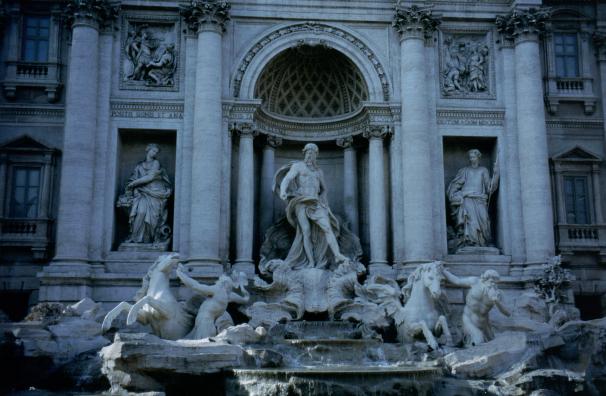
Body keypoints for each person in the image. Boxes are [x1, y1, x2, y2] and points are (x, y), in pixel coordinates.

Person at [274, 143, 348, 270]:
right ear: (304, 154)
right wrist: (283, 191)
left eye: (312, 153)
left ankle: (337, 255)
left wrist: (324, 202)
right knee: (306, 232)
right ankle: (311, 262)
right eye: (308, 153)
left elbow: (324, 189)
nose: (309, 155)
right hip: (301, 201)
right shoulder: (298, 166)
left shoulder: (319, 172)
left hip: (315, 202)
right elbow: (287, 178)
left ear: (316, 155)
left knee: (327, 227)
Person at [176, 265, 249, 339]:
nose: (217, 283)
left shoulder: (217, 290)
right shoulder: (229, 296)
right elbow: (246, 299)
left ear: (223, 282)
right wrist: (242, 287)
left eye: (219, 281)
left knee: (201, 346)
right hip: (209, 324)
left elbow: (195, 286)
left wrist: (180, 274)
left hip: (205, 322)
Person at [443, 268, 511, 346]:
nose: (491, 281)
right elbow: (457, 281)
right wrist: (443, 271)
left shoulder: (498, 294)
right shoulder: (475, 281)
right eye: (488, 278)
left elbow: (507, 313)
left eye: (494, 280)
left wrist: (496, 301)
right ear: (484, 278)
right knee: (478, 340)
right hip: (468, 319)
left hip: (484, 324)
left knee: (491, 345)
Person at [447, 149, 499, 249]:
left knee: (484, 220)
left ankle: (483, 242)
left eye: (473, 157)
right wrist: (456, 194)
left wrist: (496, 175)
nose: (472, 159)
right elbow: (455, 184)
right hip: (467, 199)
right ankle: (470, 242)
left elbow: (489, 187)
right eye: (470, 157)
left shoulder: (483, 170)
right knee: (470, 221)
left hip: (480, 199)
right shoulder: (464, 170)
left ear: (478, 157)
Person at [122, 143, 172, 244]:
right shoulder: (139, 166)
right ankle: (134, 237)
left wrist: (133, 184)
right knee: (140, 213)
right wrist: (132, 186)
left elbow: (150, 177)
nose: (154, 153)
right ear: (148, 150)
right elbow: (133, 178)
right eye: (153, 151)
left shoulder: (156, 163)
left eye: (156, 152)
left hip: (155, 194)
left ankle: (148, 240)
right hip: (142, 194)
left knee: (153, 219)